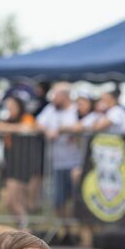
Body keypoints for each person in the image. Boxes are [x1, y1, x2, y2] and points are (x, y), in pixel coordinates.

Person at [0, 95, 37, 229]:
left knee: (14, 198)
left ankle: (24, 228)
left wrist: (5, 127)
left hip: (23, 163)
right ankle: (23, 227)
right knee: (12, 200)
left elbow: (27, 127)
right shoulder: (8, 120)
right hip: (10, 162)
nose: (10, 109)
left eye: (12, 106)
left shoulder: (26, 117)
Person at [35, 83, 82, 218]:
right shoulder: (51, 109)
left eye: (55, 95)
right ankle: (65, 229)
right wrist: (47, 131)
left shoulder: (75, 110)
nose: (53, 98)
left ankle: (77, 229)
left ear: (64, 96)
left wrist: (63, 129)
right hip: (57, 163)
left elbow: (83, 125)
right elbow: (38, 123)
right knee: (58, 200)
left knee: (76, 198)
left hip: (75, 162)